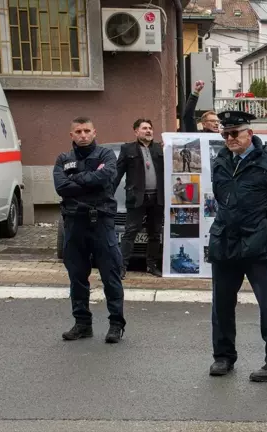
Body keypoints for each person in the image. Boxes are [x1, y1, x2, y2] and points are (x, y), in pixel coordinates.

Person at [207, 110, 267, 382]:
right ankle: (223, 357)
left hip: (258, 242)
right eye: (226, 134)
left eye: (235, 133)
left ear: (250, 134)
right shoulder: (221, 160)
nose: (230, 138)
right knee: (221, 303)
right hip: (225, 239)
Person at [53, 116, 126, 343]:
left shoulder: (106, 156)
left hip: (101, 223)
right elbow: (62, 187)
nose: (83, 135)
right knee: (77, 277)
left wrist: (78, 179)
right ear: (71, 135)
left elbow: (105, 178)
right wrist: (90, 181)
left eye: (87, 131)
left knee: (111, 275)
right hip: (74, 223)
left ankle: (116, 324)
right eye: (78, 131)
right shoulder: (63, 159)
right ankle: (82, 324)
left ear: (94, 133)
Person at [115, 119, 164, 280]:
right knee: (130, 232)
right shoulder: (127, 149)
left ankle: (151, 266)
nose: (148, 131)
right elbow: (117, 174)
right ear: (136, 131)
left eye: (150, 128)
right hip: (136, 198)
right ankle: (122, 267)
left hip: (157, 198)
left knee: (155, 233)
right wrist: (107, 193)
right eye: (144, 128)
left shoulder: (160, 148)